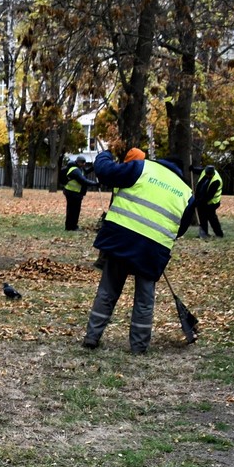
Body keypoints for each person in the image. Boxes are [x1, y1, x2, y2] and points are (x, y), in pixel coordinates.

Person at [82, 148, 195, 354]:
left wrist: (104, 154)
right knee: (145, 299)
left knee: (108, 290)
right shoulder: (187, 193)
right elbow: (181, 229)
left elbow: (105, 172)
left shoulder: (144, 168)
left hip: (121, 240)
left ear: (162, 162)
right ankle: (139, 347)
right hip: (152, 250)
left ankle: (92, 337)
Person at [62, 156, 99, 231]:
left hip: (76, 193)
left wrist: (94, 167)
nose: (84, 164)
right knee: (72, 210)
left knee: (75, 210)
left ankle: (73, 226)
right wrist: (95, 184)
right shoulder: (75, 170)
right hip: (72, 193)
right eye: (82, 162)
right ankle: (70, 227)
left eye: (84, 162)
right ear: (78, 162)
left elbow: (86, 172)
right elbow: (83, 180)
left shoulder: (80, 168)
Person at [193, 163, 224, 239]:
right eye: (207, 174)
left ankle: (219, 234)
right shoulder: (205, 172)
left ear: (212, 173)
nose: (208, 176)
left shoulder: (216, 181)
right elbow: (200, 171)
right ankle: (204, 233)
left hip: (212, 202)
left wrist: (198, 202)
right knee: (202, 217)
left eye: (209, 175)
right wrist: (193, 169)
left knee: (212, 218)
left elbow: (209, 196)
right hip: (202, 200)